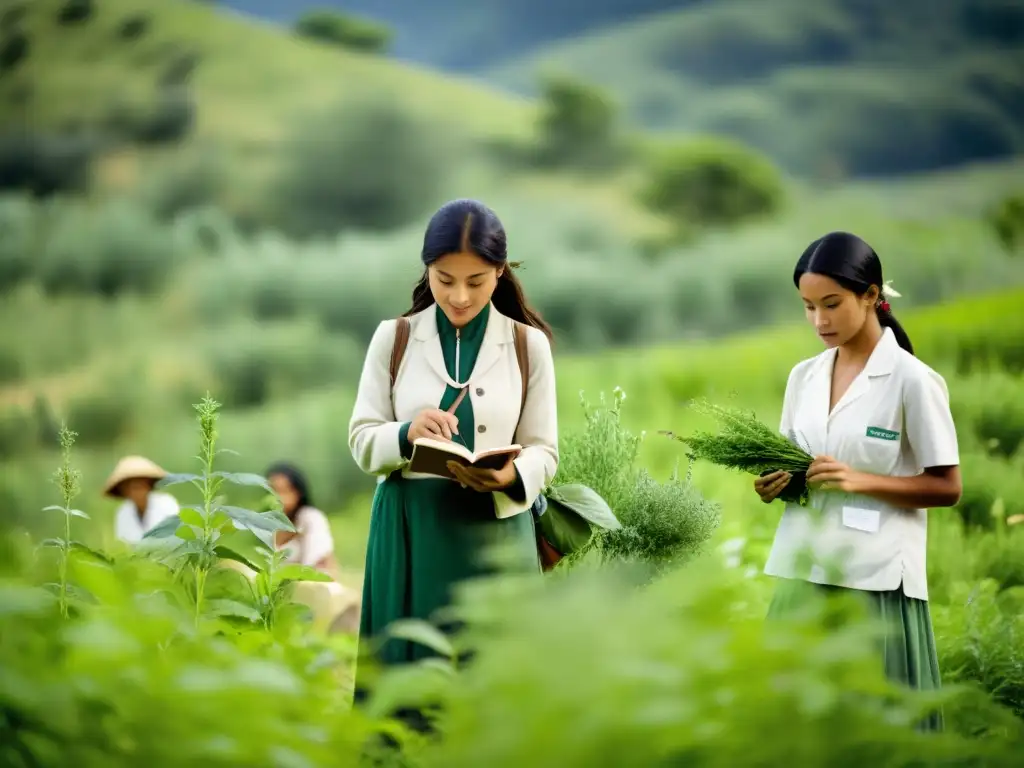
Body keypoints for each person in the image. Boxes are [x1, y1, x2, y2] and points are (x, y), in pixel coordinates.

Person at [348, 198, 558, 707]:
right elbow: (360, 438)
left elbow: (545, 451)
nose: (460, 296)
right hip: (410, 531)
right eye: (445, 280)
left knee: (494, 683)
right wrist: (405, 435)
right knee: (408, 688)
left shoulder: (528, 346)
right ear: (427, 270)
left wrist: (510, 477)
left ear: (499, 272)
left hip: (496, 534)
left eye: (476, 281)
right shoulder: (393, 338)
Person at [755, 231, 962, 731]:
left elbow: (947, 486)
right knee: (792, 731)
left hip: (874, 578)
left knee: (877, 730)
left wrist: (858, 480)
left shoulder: (913, 380)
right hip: (803, 568)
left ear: (871, 295)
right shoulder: (803, 377)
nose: (819, 321)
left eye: (832, 304)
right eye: (807, 307)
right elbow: (799, 463)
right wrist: (776, 484)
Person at [266, 462, 338, 577]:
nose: (279, 497)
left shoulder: (310, 518)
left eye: (285, 490)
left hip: (310, 585)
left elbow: (320, 563)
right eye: (273, 491)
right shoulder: (267, 524)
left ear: (298, 492)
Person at [104, 455, 180, 544]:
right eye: (129, 487)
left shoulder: (167, 503)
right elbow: (124, 546)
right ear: (123, 491)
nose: (135, 492)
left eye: (138, 486)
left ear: (148, 485)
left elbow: (175, 538)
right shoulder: (123, 513)